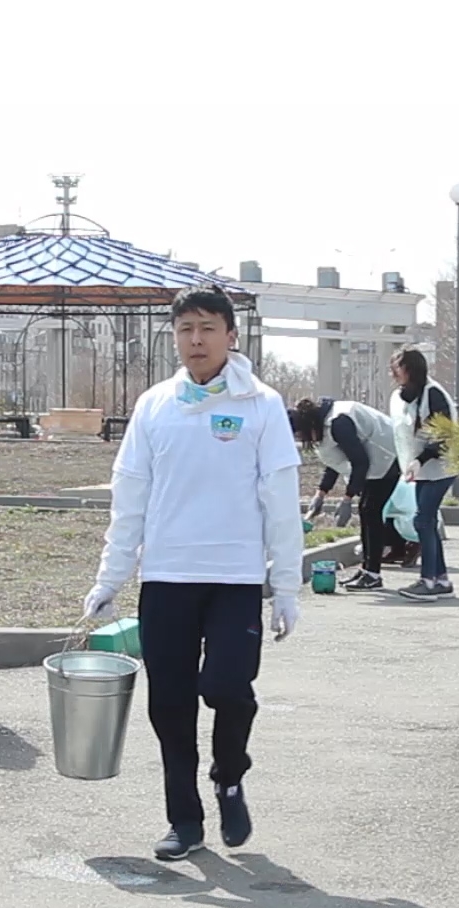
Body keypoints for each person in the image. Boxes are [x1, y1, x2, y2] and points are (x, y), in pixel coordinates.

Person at [84, 285, 305, 860]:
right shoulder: (155, 405)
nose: (196, 340)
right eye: (186, 329)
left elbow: (281, 501)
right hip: (167, 577)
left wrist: (286, 585)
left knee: (227, 687)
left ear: (231, 335)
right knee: (170, 704)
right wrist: (111, 577)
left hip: (234, 579)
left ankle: (229, 775)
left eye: (208, 328)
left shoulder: (261, 405)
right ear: (175, 337)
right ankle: (184, 819)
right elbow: (130, 498)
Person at [289, 395, 401, 591]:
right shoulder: (325, 423)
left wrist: (347, 499)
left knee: (370, 511)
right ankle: (367, 570)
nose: (300, 439)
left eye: (299, 434)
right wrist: (320, 494)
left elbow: (360, 462)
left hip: (389, 457)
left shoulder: (339, 422)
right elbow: (334, 462)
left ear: (307, 425)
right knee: (367, 511)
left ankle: (372, 574)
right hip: (377, 461)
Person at [387, 348, 458, 600]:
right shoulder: (406, 396)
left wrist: (419, 460)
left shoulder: (433, 394)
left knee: (423, 521)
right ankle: (441, 580)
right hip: (423, 469)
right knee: (426, 522)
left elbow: (444, 435)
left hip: (442, 467)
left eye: (398, 367)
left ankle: (427, 581)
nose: (394, 373)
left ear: (411, 369)